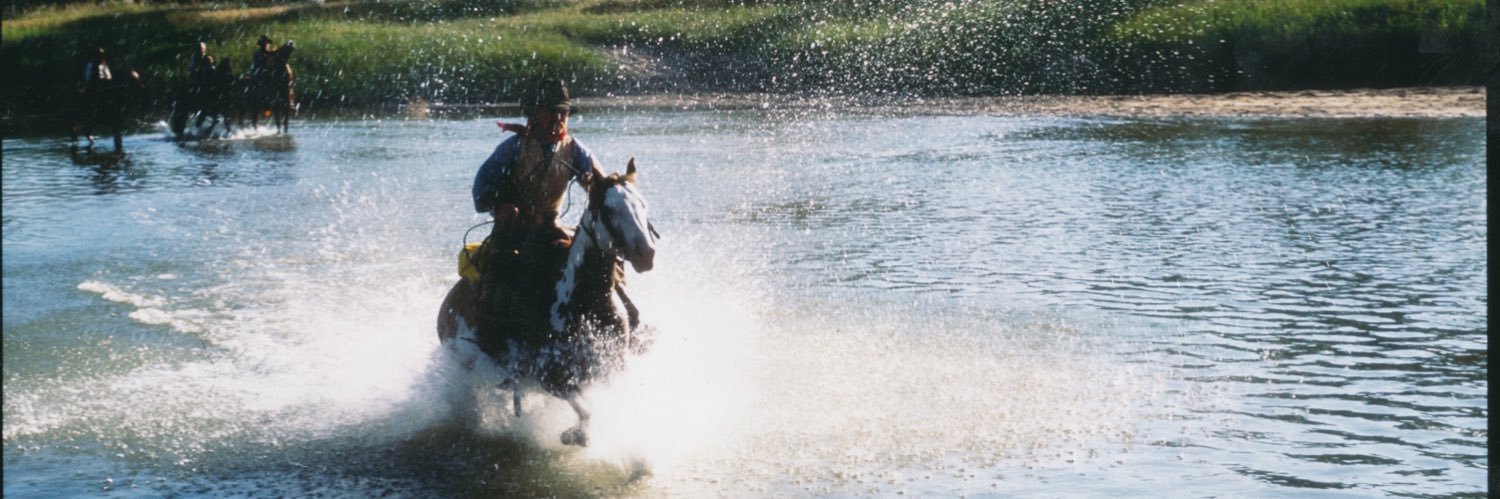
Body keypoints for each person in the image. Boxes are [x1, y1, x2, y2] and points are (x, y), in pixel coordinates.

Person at [470, 78, 601, 323]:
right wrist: (501, 207)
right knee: (501, 272)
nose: (558, 119)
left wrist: (592, 182)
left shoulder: (577, 151)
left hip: (550, 228)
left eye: (563, 113)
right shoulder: (513, 148)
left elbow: (601, 188)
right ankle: (488, 334)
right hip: (512, 230)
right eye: (551, 112)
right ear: (535, 114)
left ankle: (629, 319)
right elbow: (481, 190)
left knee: (599, 259)